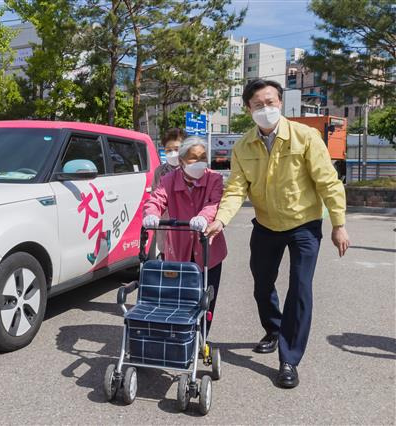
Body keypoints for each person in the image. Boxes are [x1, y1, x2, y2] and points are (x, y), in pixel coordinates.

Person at [205, 79, 350, 389]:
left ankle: (289, 358)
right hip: (266, 224)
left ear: (281, 103)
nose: (266, 109)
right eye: (258, 105)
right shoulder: (243, 145)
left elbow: (328, 181)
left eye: (271, 102)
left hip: (304, 225)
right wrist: (221, 220)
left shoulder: (305, 137)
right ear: (248, 109)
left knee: (300, 288)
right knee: (261, 282)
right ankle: (273, 328)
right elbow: (235, 189)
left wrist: (338, 223)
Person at [143, 136, 227, 334]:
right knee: (179, 294)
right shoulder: (168, 179)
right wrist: (151, 215)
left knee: (207, 296)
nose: (199, 162)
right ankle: (181, 333)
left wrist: (204, 217)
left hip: (209, 248)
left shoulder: (214, 178)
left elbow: (214, 203)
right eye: (192, 158)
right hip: (179, 247)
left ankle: (202, 338)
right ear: (181, 161)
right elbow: (156, 199)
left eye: (203, 157)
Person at [152, 128, 186, 258]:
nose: (173, 153)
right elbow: (154, 198)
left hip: (188, 228)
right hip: (166, 228)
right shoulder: (159, 172)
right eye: (168, 150)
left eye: (177, 149)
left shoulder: (193, 170)